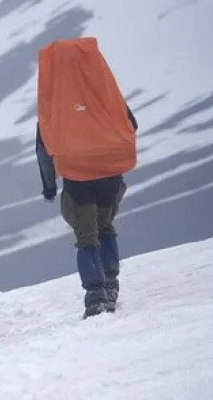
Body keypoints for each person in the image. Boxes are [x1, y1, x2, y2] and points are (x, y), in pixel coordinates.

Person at [35, 37, 138, 318]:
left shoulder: (54, 104)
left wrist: (48, 189)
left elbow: (43, 146)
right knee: (105, 226)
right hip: (110, 175)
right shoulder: (104, 93)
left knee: (87, 236)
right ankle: (111, 283)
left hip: (78, 180)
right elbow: (131, 124)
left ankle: (96, 295)